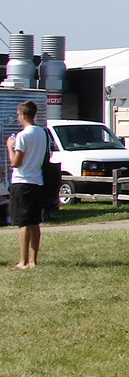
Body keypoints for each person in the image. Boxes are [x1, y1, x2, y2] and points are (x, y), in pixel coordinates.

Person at [6, 101, 47, 268]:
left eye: (18, 115)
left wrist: (10, 147)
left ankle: (23, 261)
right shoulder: (42, 133)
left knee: (23, 222)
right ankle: (33, 259)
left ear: (23, 115)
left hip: (23, 181)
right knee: (34, 222)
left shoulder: (23, 135)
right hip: (37, 180)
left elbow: (16, 162)